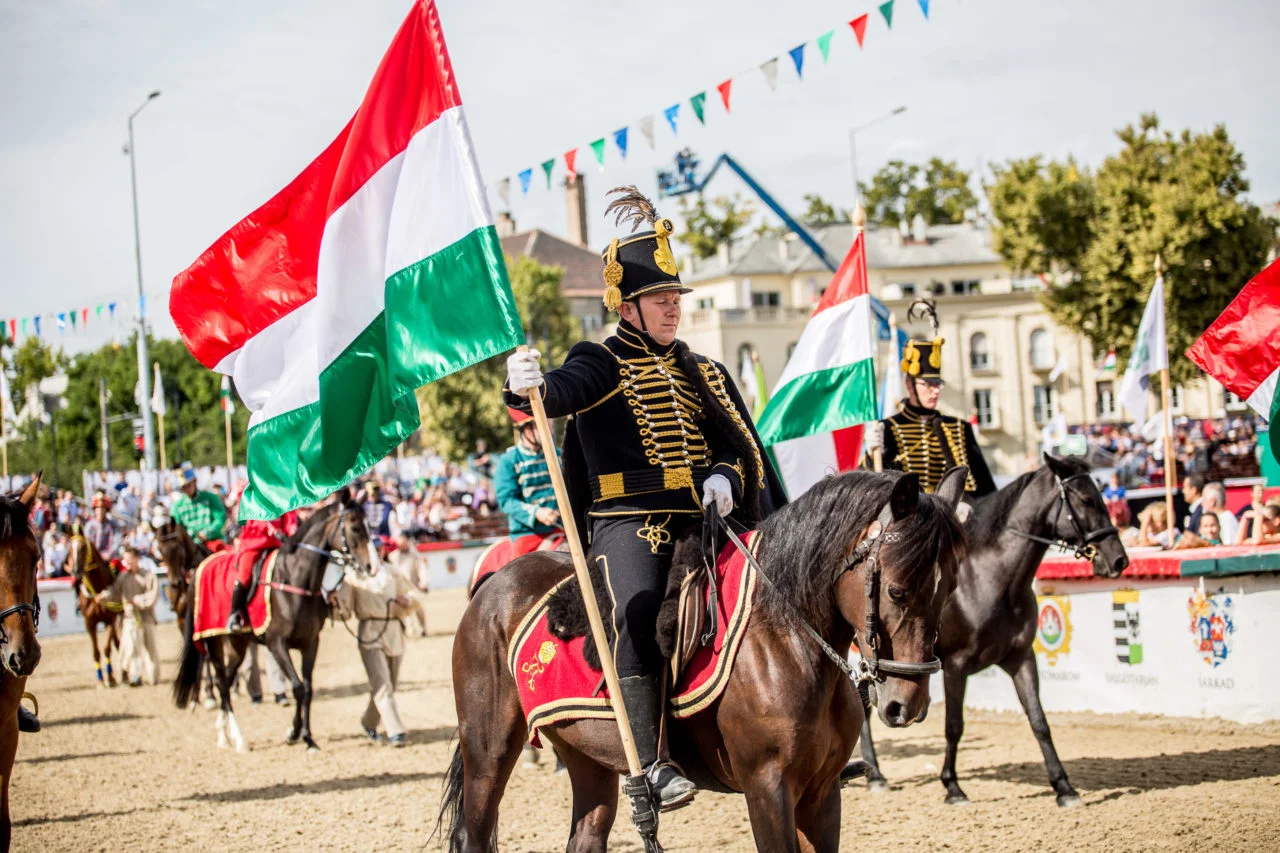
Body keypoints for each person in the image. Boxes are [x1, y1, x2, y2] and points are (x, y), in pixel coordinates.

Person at [503, 186, 788, 810]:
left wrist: (726, 479)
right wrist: (527, 388)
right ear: (627, 306)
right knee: (636, 611)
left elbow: (737, 450)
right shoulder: (601, 362)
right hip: (629, 523)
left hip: (705, 520)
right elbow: (559, 391)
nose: (672, 310)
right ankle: (652, 761)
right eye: (660, 300)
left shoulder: (703, 369)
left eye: (675, 299)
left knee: (782, 590)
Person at [864, 300, 996, 498]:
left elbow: (986, 489)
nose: (935, 391)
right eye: (927, 385)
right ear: (910, 385)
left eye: (937, 384)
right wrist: (871, 453)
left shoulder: (959, 428)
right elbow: (872, 483)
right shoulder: (889, 428)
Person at [333, 558, 411, 747]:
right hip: (369, 632)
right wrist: (335, 603)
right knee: (382, 684)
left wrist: (408, 600)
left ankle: (368, 722)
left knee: (390, 683)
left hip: (394, 629)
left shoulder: (393, 571)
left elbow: (411, 592)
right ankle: (396, 731)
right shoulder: (353, 577)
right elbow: (345, 609)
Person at [494, 407, 562, 541]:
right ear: (527, 429)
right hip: (527, 534)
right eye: (543, 425)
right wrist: (537, 513)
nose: (551, 431)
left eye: (550, 425)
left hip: (562, 530)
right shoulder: (508, 461)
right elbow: (507, 501)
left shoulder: (559, 455)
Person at [96, 546, 161, 685]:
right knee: (132, 648)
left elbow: (153, 595)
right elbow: (114, 592)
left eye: (130, 559)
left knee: (151, 649)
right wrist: (103, 596)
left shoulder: (148, 576)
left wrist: (138, 600)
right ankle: (135, 676)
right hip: (130, 618)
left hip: (147, 617)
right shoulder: (122, 577)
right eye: (125, 560)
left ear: (137, 559)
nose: (127, 563)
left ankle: (153, 677)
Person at [228, 506, 300, 631]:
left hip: (279, 544)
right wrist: (270, 528)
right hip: (254, 543)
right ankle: (235, 613)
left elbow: (290, 516)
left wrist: (292, 531)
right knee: (245, 576)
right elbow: (252, 518)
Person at [170, 461, 228, 547]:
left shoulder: (211, 498)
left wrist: (207, 532)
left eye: (188, 485)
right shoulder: (177, 506)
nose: (186, 489)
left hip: (212, 542)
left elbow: (220, 519)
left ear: (195, 481)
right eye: (183, 487)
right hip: (190, 547)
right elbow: (175, 527)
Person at [82, 492, 121, 562]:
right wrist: (96, 555)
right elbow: (87, 542)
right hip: (93, 558)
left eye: (102, 509)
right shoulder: (89, 525)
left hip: (109, 558)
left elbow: (117, 541)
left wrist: (109, 554)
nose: (100, 511)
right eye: (97, 509)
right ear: (94, 510)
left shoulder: (113, 525)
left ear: (106, 510)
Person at [362, 481, 398, 550]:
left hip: (384, 538)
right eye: (370, 495)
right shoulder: (364, 506)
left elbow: (393, 522)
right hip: (369, 538)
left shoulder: (387, 505)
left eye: (373, 494)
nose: (372, 497)